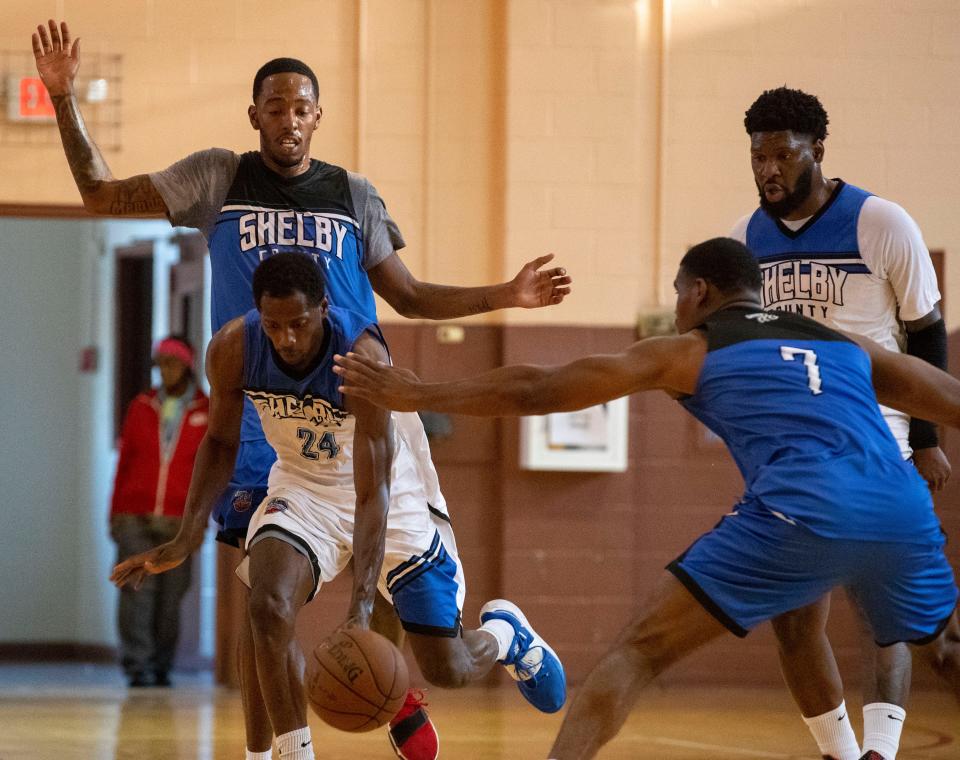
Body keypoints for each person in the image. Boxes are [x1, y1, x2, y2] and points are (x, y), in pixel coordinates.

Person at [32, 18, 571, 760]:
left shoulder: (352, 195)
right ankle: (282, 750)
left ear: (318, 115)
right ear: (255, 116)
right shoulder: (219, 178)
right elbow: (99, 195)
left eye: (301, 107)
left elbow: (409, 297)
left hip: (359, 397)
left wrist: (505, 294)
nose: (289, 120)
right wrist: (64, 100)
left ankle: (412, 679)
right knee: (268, 603)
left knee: (383, 583)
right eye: (275, 107)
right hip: (266, 420)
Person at [332, 237, 960, 760]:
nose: (677, 306)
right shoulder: (844, 344)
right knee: (928, 647)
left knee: (635, 654)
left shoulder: (692, 349)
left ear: (699, 294)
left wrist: (417, 394)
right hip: (900, 506)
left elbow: (538, 389)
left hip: (802, 506)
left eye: (678, 294)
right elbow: (947, 398)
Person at [111, 253, 567, 760]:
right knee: (266, 604)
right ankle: (287, 753)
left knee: (449, 668)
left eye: (298, 324)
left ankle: (506, 637)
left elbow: (373, 492)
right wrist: (186, 534)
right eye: (274, 324)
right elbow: (219, 441)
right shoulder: (234, 348)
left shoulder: (361, 355)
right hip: (304, 487)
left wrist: (362, 608)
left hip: (392, 494)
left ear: (324, 309)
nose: (285, 338)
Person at [730, 86, 960, 759]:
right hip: (792, 457)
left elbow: (927, 333)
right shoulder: (750, 236)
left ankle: (879, 752)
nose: (768, 168)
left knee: (884, 616)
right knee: (794, 622)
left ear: (818, 150)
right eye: (757, 156)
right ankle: (838, 751)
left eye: (781, 154)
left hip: (878, 442)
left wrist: (927, 440)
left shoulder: (882, 222)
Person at [109, 336, 208, 687]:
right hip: (134, 515)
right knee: (136, 593)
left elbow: (212, 468)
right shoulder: (141, 405)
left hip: (180, 520)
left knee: (170, 599)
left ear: (187, 366)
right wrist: (115, 513)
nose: (166, 370)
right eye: (161, 363)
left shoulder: (206, 410)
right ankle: (138, 665)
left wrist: (202, 520)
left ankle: (162, 664)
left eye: (172, 363)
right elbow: (125, 463)